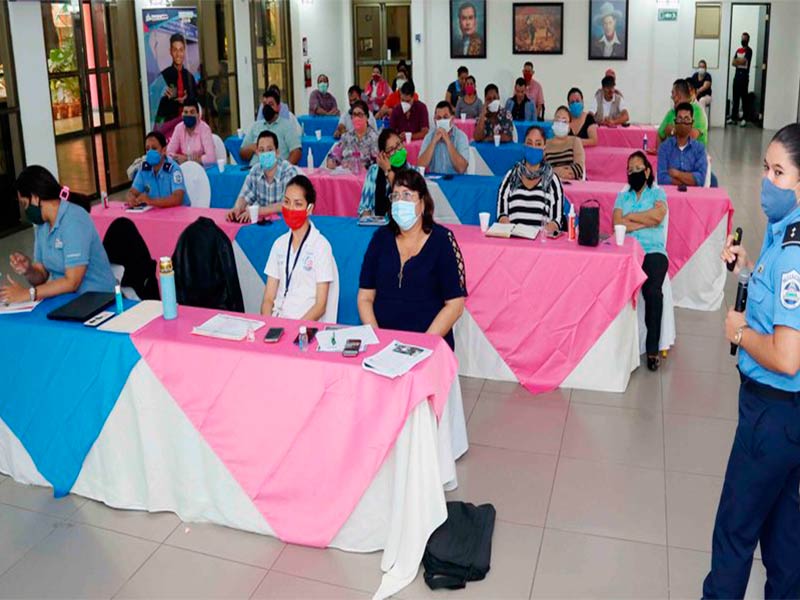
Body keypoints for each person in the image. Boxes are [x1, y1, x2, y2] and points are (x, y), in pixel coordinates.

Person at [704, 122, 800, 599]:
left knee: (734, 535)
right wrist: (744, 269)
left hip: (771, 413)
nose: (766, 181)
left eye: (779, 173)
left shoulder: (792, 255)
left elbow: (786, 355)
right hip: (788, 419)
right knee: (784, 545)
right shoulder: (783, 235)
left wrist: (739, 332)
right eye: (766, 167)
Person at [358, 168, 466, 350]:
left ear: (422, 204)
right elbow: (365, 297)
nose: (400, 202)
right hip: (383, 343)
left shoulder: (442, 240)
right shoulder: (380, 238)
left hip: (428, 345)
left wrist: (422, 346)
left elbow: (455, 304)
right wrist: (376, 338)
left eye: (407, 195)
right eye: (395, 196)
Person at [0, 166, 115, 304]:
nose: (25, 210)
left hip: (98, 300)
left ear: (35, 197)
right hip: (65, 300)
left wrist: (28, 294)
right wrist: (29, 269)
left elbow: (72, 282)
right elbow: (41, 275)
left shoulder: (74, 219)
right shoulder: (42, 225)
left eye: (25, 204)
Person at [612, 152, 668, 371]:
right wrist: (645, 220)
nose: (633, 172)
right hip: (626, 252)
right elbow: (617, 222)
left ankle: (652, 349)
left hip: (653, 251)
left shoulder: (657, 193)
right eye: (630, 169)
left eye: (638, 168)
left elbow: (658, 217)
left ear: (647, 171)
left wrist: (630, 219)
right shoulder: (622, 196)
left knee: (653, 291)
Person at [261, 175, 336, 321]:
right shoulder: (279, 244)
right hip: (276, 323)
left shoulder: (320, 246)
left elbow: (320, 306)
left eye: (298, 204)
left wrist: (296, 329)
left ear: (309, 209)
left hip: (303, 328)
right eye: (287, 202)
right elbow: (268, 299)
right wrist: (268, 323)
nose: (290, 209)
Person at [497, 125, 565, 232]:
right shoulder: (511, 176)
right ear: (524, 146)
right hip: (513, 241)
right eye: (529, 143)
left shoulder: (552, 180)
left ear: (544, 149)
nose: (533, 147)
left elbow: (557, 221)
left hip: (541, 244)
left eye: (538, 144)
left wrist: (538, 236)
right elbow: (502, 215)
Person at [227, 131, 299, 223]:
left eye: (269, 150)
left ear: (277, 152)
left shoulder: (288, 171)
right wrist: (236, 209)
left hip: (285, 223)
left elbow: (288, 204)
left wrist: (258, 211)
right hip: (263, 224)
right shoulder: (255, 171)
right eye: (261, 150)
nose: (265, 154)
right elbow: (245, 196)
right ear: (257, 153)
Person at [359, 128, 412, 217]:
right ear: (383, 154)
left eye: (398, 145)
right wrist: (368, 221)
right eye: (391, 150)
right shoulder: (374, 171)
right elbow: (364, 208)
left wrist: (388, 171)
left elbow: (407, 203)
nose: (397, 151)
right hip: (379, 224)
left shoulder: (412, 172)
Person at [127, 131, 189, 208]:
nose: (150, 152)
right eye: (147, 149)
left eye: (154, 148)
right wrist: (131, 197)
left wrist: (151, 201)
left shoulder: (173, 169)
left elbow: (177, 198)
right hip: (156, 214)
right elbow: (133, 191)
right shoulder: (144, 169)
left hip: (179, 214)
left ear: (164, 150)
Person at [241, 88, 302, 166]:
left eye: (271, 104)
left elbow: (296, 151)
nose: (267, 107)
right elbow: (242, 153)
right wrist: (253, 147)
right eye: (265, 104)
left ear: (278, 107)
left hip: (276, 170)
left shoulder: (287, 126)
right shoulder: (255, 126)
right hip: (255, 170)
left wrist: (284, 169)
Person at [657, 102, 708, 187]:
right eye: (680, 119)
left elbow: (700, 180)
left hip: (693, 197)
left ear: (692, 123)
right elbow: (662, 179)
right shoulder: (664, 147)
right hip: (670, 196)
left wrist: (676, 174)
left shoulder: (699, 148)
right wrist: (688, 181)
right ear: (675, 122)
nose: (683, 123)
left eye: (687, 119)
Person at [155, 33, 197, 127]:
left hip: (188, 124)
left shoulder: (190, 77)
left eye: (181, 50)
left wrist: (185, 101)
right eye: (175, 50)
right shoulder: (163, 76)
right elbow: (155, 106)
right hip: (169, 124)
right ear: (170, 51)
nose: (178, 54)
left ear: (184, 51)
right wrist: (162, 95)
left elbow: (196, 103)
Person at [326, 100, 379, 173]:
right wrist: (332, 160)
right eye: (354, 115)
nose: (357, 118)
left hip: (365, 177)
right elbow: (335, 153)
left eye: (360, 115)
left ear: (367, 117)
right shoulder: (346, 136)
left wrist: (364, 166)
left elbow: (376, 161)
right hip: (345, 175)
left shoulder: (374, 137)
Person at [418, 101, 470, 175]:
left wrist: (448, 142)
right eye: (439, 118)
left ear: (452, 119)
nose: (442, 120)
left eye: (445, 117)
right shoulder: (429, 136)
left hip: (457, 181)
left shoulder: (461, 137)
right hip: (436, 182)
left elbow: (461, 168)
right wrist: (433, 142)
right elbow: (420, 165)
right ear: (435, 120)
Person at [658, 79, 708, 146]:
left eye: (673, 93)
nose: (671, 97)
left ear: (678, 96)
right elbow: (660, 134)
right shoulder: (671, 112)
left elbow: (691, 136)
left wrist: (673, 131)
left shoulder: (698, 112)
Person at [166, 100, 216, 166]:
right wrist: (177, 157)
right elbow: (168, 153)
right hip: (185, 168)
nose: (188, 115)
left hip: (203, 169)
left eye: (192, 112)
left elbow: (211, 158)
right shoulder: (179, 128)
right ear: (182, 115)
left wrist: (187, 159)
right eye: (186, 112)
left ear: (198, 115)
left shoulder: (204, 129)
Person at [545, 106, 585, 181]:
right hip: (551, 183)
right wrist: (555, 173)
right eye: (558, 119)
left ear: (569, 125)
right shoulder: (545, 144)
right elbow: (541, 169)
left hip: (572, 183)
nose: (560, 123)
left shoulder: (575, 141)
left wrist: (559, 172)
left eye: (564, 121)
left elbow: (579, 167)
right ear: (553, 122)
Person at [728, 32, 753, 126]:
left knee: (744, 98)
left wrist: (738, 61)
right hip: (737, 77)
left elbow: (743, 61)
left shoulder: (749, 50)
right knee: (735, 97)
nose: (743, 40)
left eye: (745, 39)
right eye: (742, 38)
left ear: (748, 40)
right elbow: (733, 62)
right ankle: (733, 118)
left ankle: (744, 119)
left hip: (744, 77)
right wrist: (739, 61)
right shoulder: (738, 50)